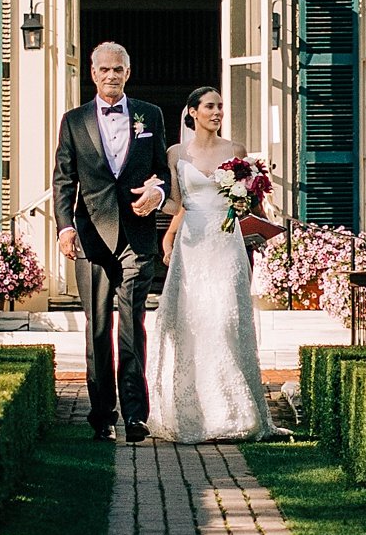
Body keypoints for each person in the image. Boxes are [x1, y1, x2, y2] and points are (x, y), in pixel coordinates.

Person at [54, 41, 169, 440]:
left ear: (127, 73)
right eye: (104, 69)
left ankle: (136, 416)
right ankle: (102, 415)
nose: (111, 75)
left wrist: (158, 194)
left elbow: (162, 172)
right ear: (93, 73)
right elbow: (64, 180)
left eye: (118, 69)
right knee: (98, 329)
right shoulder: (73, 121)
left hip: (137, 238)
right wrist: (64, 227)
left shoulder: (149, 115)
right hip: (91, 239)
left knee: (132, 327)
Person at [149, 84, 274, 444]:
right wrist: (156, 214)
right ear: (192, 112)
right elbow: (177, 202)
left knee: (224, 320)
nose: (217, 112)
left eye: (220, 106)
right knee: (190, 323)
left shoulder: (236, 152)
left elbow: (251, 204)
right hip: (192, 244)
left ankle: (233, 410)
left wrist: (247, 202)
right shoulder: (175, 153)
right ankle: (191, 411)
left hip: (226, 245)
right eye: (209, 106)